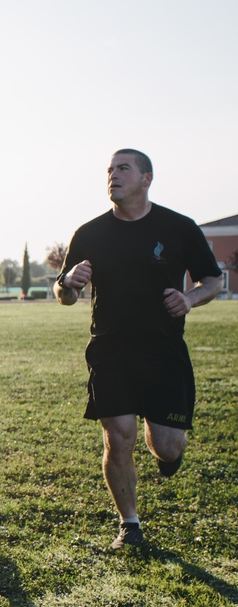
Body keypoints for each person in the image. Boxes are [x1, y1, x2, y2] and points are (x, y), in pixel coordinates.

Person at [55, 149, 223, 550]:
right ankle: (129, 525)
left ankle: (168, 452)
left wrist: (189, 299)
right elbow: (63, 294)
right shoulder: (90, 233)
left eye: (123, 168)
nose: (113, 175)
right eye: (109, 170)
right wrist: (69, 283)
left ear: (146, 178)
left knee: (166, 445)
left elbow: (213, 281)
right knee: (118, 435)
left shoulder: (179, 227)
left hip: (164, 350)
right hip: (110, 349)